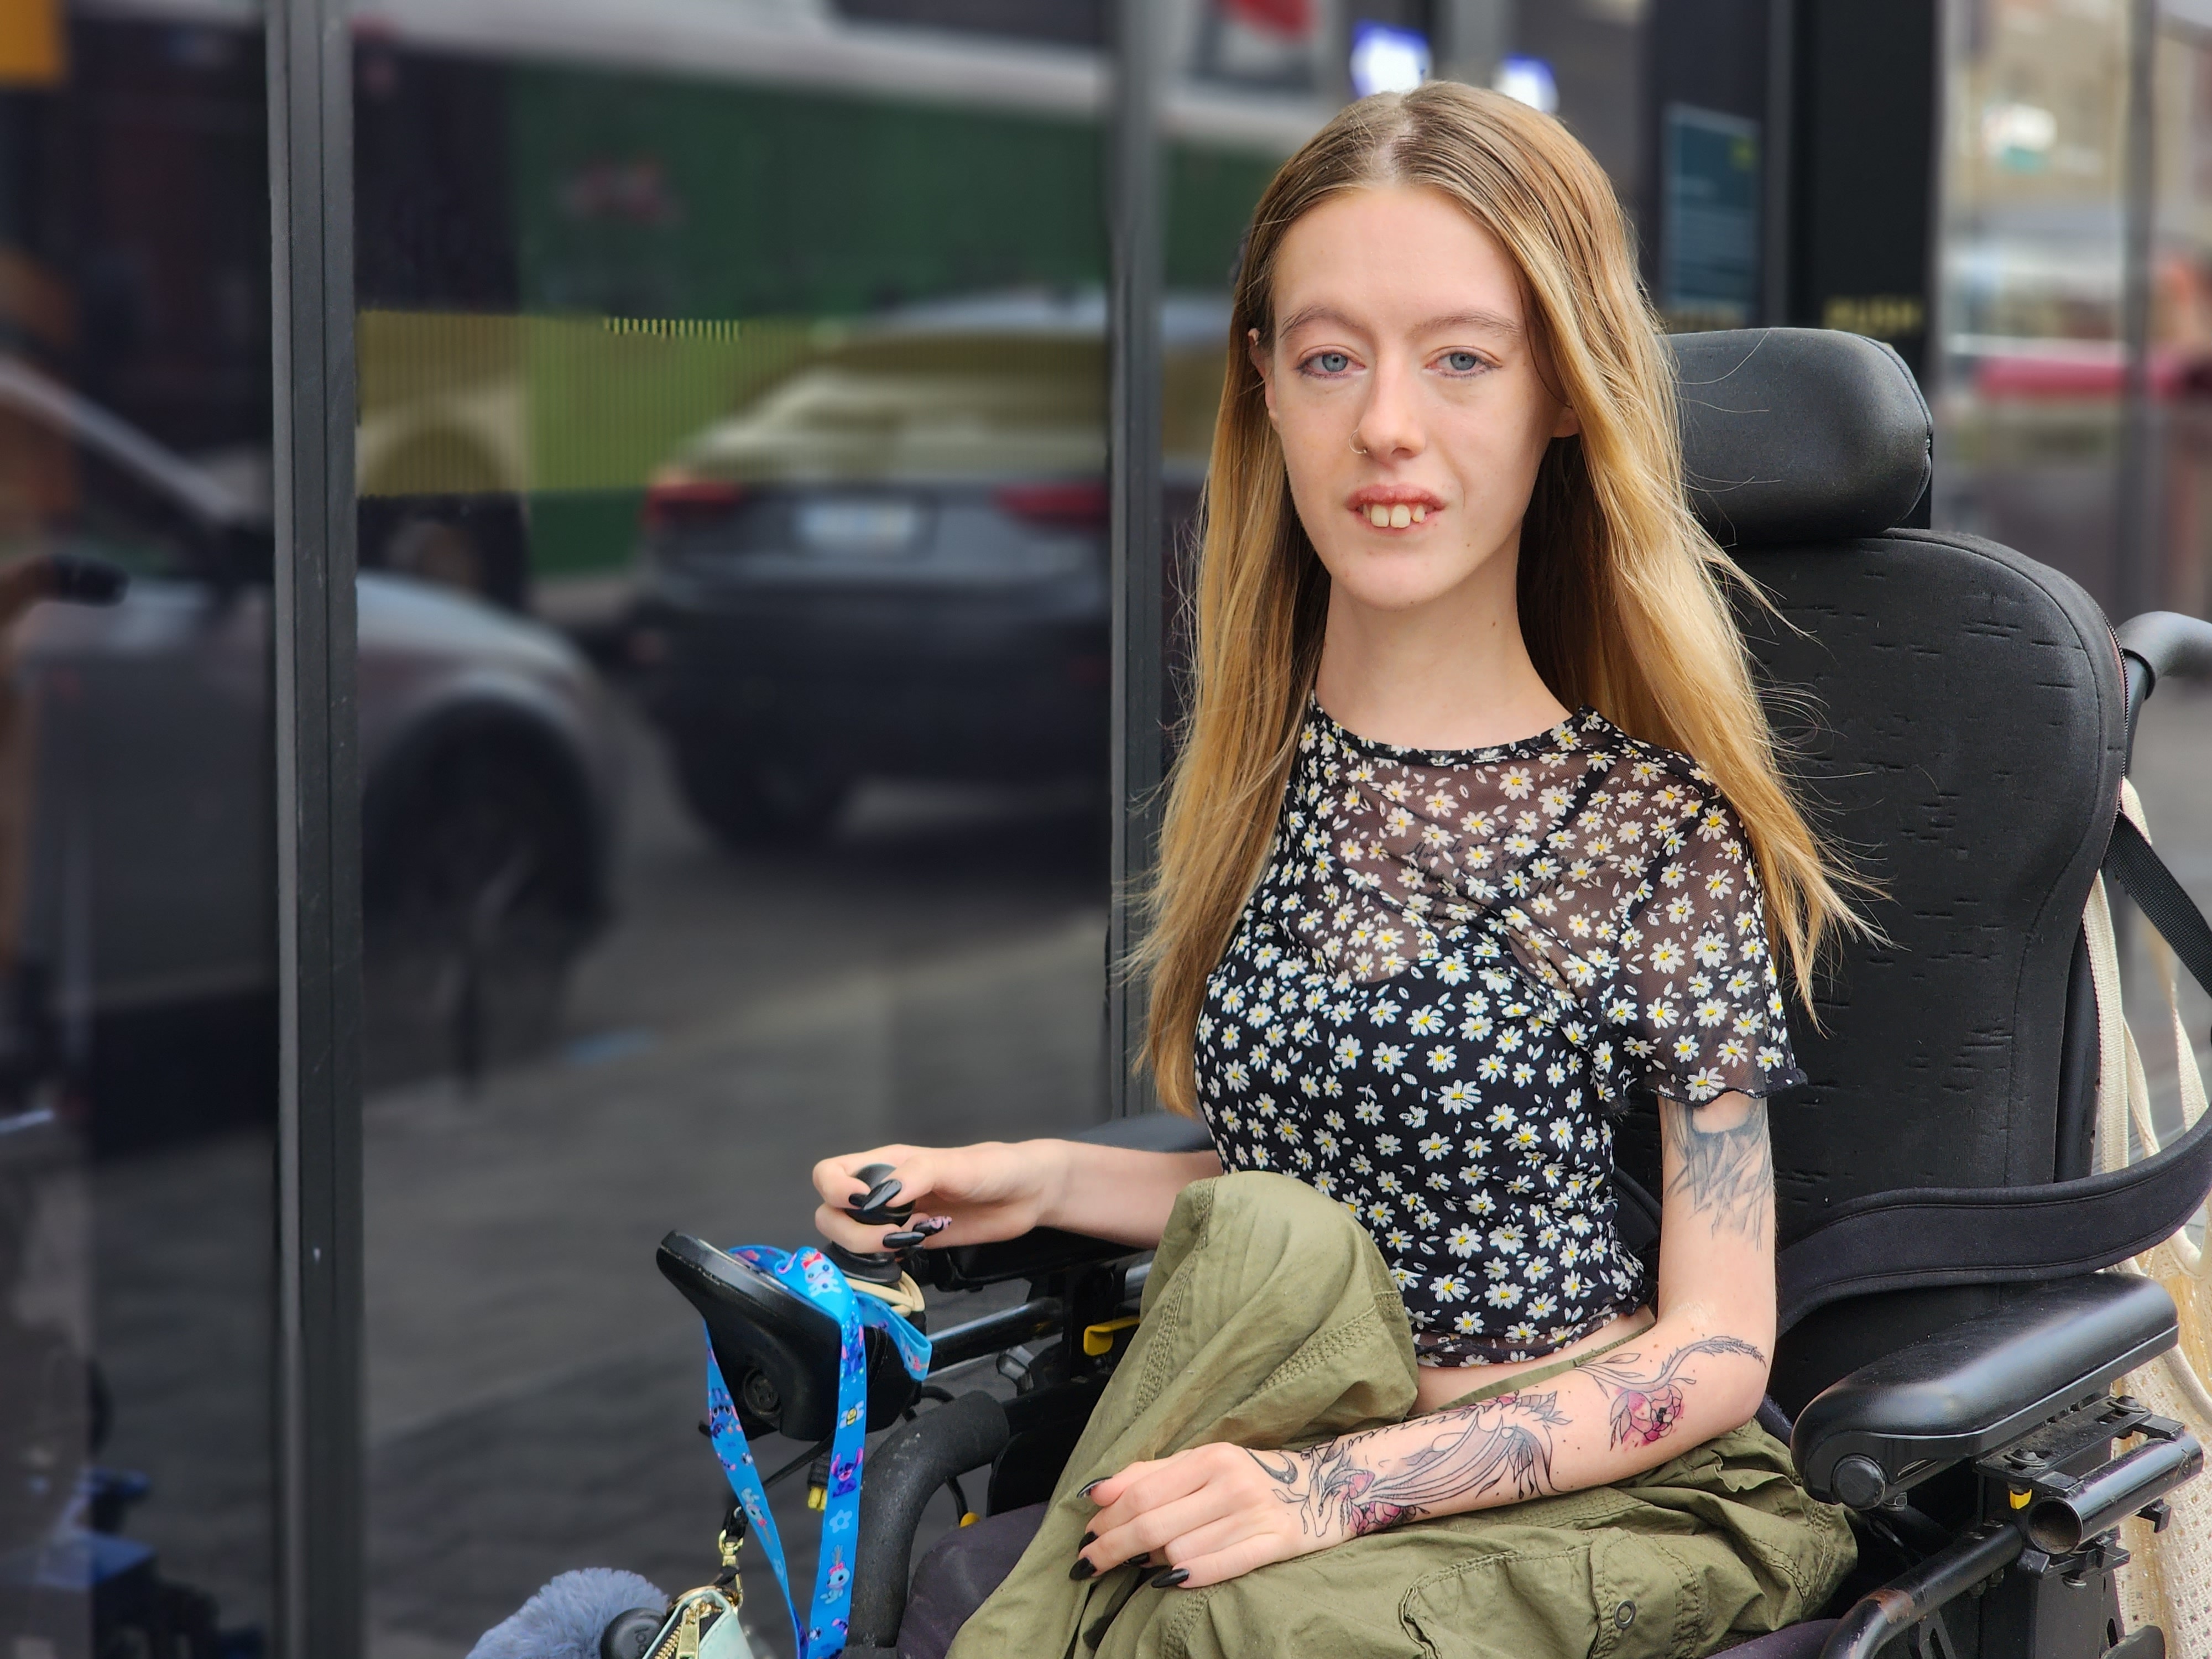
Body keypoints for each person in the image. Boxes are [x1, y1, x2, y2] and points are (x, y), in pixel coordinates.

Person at [812, 82, 1859, 1659]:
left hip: (1581, 1489)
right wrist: (1034, 1178)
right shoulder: (1259, 786)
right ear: (1267, 390)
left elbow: (1716, 1341)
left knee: (1196, 1635)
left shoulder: (1648, 832)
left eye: (1460, 359)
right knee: (1226, 1311)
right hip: (1286, 1407)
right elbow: (1314, 1193)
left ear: (1558, 392)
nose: (1387, 425)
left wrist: (1340, 1493)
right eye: (1330, 359)